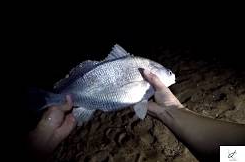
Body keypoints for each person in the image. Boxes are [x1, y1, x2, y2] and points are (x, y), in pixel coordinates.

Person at [28, 69, 245, 161]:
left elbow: (227, 155)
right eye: (168, 72)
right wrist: (172, 111)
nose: (172, 75)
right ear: (154, 72)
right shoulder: (236, 155)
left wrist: (171, 112)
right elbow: (230, 155)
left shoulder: (235, 155)